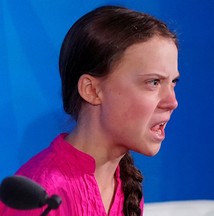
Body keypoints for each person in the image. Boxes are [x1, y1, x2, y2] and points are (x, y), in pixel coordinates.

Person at [0, 5, 179, 216]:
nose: (172, 101)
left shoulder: (125, 185)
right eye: (154, 82)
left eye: (173, 83)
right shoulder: (44, 197)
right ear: (92, 90)